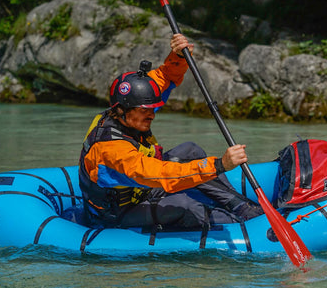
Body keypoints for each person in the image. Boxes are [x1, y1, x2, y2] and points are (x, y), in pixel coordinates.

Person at [79, 34, 263, 230]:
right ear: (122, 111)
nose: (151, 115)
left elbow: (164, 77)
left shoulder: (127, 111)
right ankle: (244, 227)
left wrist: (178, 56)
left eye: (152, 109)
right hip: (117, 212)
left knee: (190, 150)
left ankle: (241, 207)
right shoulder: (112, 149)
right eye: (144, 111)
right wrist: (219, 165)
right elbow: (160, 174)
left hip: (141, 189)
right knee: (184, 205)